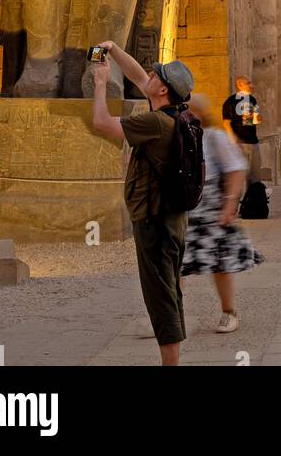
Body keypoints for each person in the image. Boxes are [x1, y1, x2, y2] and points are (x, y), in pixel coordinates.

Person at [91, 44, 196, 366]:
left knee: (159, 294)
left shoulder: (154, 123)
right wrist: (113, 49)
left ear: (163, 89)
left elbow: (102, 124)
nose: (148, 76)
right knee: (169, 287)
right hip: (173, 216)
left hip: (154, 219)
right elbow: (138, 76)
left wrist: (99, 83)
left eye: (155, 76)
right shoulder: (177, 115)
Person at [181, 94, 263, 332]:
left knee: (219, 263)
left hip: (211, 207)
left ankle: (228, 311)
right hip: (185, 209)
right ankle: (171, 316)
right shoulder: (179, 137)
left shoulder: (214, 137)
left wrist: (230, 204)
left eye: (189, 111)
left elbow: (236, 168)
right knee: (175, 264)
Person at [222, 76, 262, 183]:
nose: (251, 85)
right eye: (248, 83)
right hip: (239, 143)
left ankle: (253, 197)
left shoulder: (252, 99)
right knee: (238, 178)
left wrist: (256, 118)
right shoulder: (230, 101)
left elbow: (253, 120)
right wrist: (234, 141)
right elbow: (226, 123)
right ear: (240, 85)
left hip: (252, 141)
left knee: (255, 176)